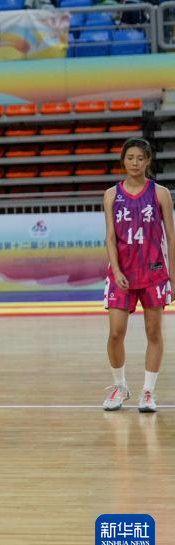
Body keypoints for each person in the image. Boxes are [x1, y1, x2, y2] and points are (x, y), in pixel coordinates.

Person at [103, 138, 174, 413]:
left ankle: (148, 391)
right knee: (115, 333)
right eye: (130, 157)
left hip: (154, 271)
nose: (135, 162)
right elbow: (110, 237)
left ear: (148, 161)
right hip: (121, 274)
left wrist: (173, 276)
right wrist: (116, 269)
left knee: (153, 331)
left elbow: (171, 237)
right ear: (123, 160)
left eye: (140, 158)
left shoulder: (161, 194)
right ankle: (120, 387)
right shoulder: (111, 194)